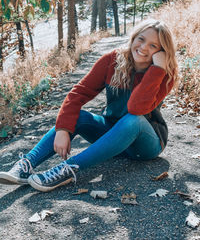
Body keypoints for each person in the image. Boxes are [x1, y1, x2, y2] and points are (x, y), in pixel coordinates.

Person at [0, 18, 178, 192]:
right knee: (80, 116)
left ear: (161, 51)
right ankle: (26, 165)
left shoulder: (164, 74)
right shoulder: (113, 60)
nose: (144, 47)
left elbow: (136, 108)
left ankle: (66, 170)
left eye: (153, 46)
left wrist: (157, 69)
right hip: (112, 138)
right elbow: (79, 93)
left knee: (134, 120)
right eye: (141, 39)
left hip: (145, 146)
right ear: (134, 37)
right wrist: (63, 129)